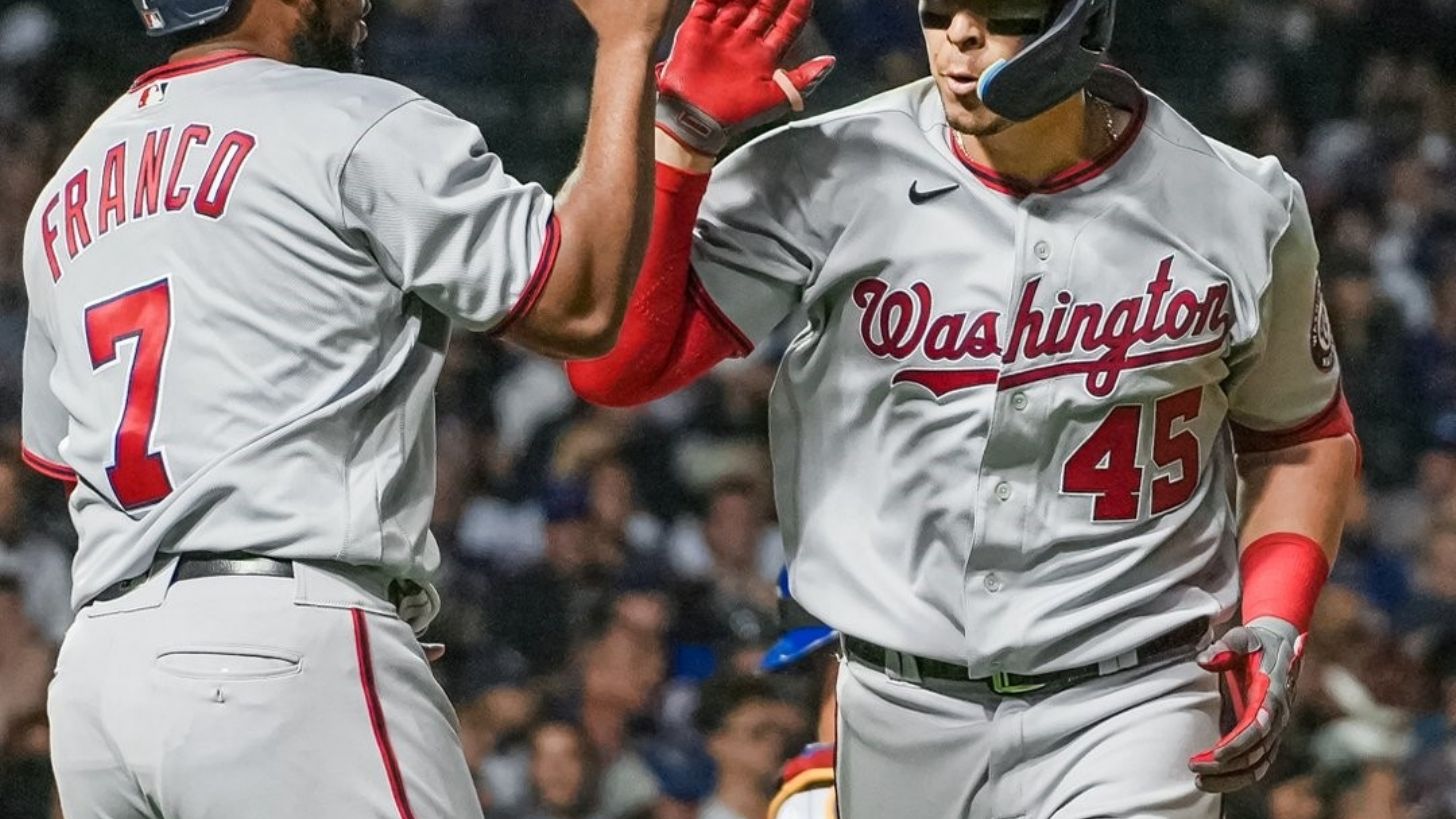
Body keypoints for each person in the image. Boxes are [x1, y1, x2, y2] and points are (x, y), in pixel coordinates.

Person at [567, 0, 1362, 816]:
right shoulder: (830, 169)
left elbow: (1301, 434)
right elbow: (614, 370)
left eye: (999, 11)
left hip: (1136, 697)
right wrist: (684, 137)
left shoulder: (1237, 202)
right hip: (895, 702)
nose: (959, 35)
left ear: (1083, 22)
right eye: (938, 9)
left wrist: (1277, 612)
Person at [19, 0, 675, 814]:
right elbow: (577, 305)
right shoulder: (350, 121)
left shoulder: (66, 189)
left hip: (99, 676)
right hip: (277, 648)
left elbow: (62, 459)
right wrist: (628, 45)